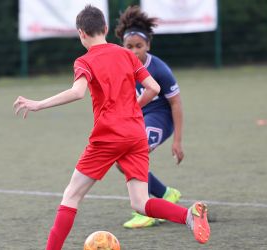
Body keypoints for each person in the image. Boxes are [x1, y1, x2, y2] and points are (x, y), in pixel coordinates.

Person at [13, 5, 210, 250]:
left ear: (81, 33)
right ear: (105, 29)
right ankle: (188, 216)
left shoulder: (84, 61)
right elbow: (155, 88)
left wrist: (38, 104)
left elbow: (77, 92)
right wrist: (132, 108)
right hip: (136, 135)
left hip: (108, 136)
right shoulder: (126, 54)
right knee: (140, 202)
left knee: (72, 195)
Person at [114, 5, 185, 229]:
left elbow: (176, 103)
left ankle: (147, 209)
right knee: (120, 161)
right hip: (138, 118)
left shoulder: (159, 69)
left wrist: (177, 141)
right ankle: (166, 194)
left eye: (139, 46)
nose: (134, 51)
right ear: (122, 46)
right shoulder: (120, 66)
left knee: (134, 155)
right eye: (129, 46)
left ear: (148, 45)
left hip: (161, 117)